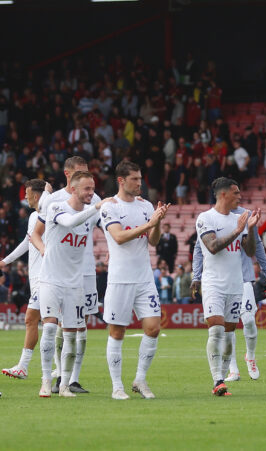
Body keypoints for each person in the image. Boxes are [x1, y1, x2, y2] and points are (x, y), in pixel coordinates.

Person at [35, 170, 110, 398]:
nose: (92, 193)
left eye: (93, 188)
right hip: (50, 279)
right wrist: (95, 209)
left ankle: (65, 384)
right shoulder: (57, 208)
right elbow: (69, 222)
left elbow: (109, 226)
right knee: (49, 327)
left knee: (71, 334)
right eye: (87, 189)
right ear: (74, 189)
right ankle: (46, 381)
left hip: (75, 284)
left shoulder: (89, 213)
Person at [99, 160, 169, 400]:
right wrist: (149, 224)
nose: (140, 183)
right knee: (117, 332)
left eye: (140, 179)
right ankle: (117, 386)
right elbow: (118, 237)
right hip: (120, 279)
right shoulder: (110, 207)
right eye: (135, 179)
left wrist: (156, 223)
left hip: (144, 278)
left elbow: (153, 241)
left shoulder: (146, 205)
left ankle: (140, 379)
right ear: (121, 181)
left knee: (153, 327)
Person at [191, 178, 262, 397]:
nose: (240, 197)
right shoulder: (205, 218)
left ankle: (220, 380)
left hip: (235, 284)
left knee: (229, 337)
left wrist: (249, 229)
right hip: (214, 284)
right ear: (223, 195)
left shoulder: (238, 219)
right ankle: (218, 381)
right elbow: (212, 246)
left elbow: (249, 252)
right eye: (236, 193)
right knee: (216, 330)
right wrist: (237, 229)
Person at [193, 206, 266, 382]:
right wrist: (196, 275)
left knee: (248, 320)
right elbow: (200, 249)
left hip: (242, 278)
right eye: (235, 192)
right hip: (217, 281)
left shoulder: (245, 215)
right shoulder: (209, 218)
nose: (238, 195)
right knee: (222, 329)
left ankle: (250, 357)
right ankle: (232, 370)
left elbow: (257, 246)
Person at [1, 179, 48, 380]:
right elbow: (27, 242)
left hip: (47, 276)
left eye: (27, 193)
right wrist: (6, 261)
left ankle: (28, 367)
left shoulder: (51, 215)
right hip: (36, 277)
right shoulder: (33, 217)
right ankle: (57, 370)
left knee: (39, 320)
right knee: (44, 321)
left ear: (36, 196)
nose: (24, 197)